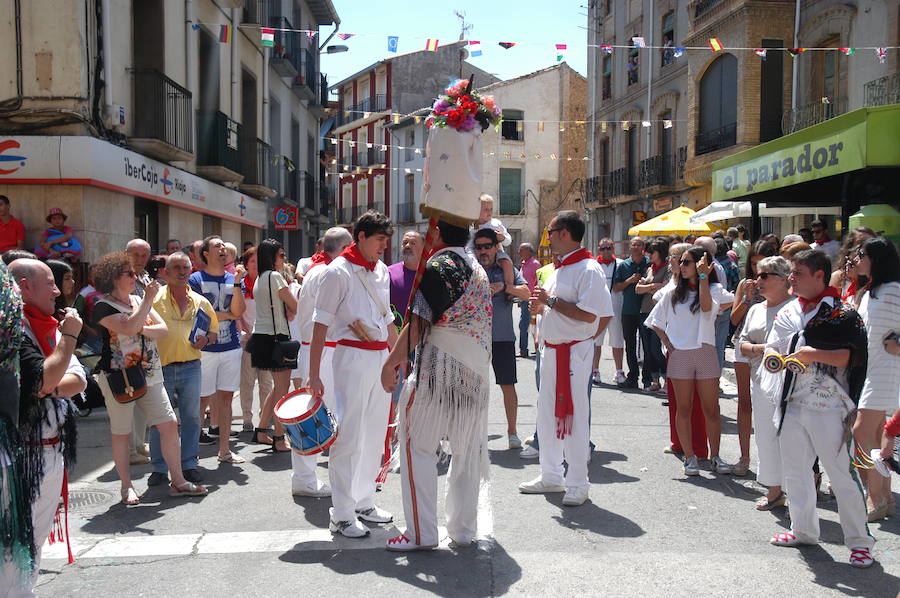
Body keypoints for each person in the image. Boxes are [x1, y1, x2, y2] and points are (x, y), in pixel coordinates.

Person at [380, 219, 492, 551]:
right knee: (466, 451)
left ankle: (421, 533)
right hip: (475, 373)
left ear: (437, 234)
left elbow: (417, 325)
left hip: (437, 372)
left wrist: (390, 362)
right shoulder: (478, 267)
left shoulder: (438, 265)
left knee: (417, 447)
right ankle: (462, 529)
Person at [760, 249, 873, 567]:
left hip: (830, 408)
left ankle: (860, 542)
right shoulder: (788, 312)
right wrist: (776, 358)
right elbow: (774, 349)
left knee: (841, 476)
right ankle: (804, 530)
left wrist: (810, 353)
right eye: (791, 273)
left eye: (797, 273)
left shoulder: (843, 314)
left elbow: (850, 358)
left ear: (819, 276)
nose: (791, 278)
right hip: (793, 404)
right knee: (796, 474)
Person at [307, 211, 398, 538]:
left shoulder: (382, 271)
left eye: (386, 241)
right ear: (360, 237)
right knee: (348, 435)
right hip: (351, 357)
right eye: (379, 240)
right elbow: (320, 325)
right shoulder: (337, 273)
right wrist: (313, 374)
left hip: (380, 358)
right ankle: (342, 513)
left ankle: (363, 501)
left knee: (374, 433)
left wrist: (398, 357)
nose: (384, 248)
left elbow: (387, 318)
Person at [90, 252, 207, 504]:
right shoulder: (103, 306)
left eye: (134, 273)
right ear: (113, 278)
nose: (135, 277)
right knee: (122, 433)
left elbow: (161, 330)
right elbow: (130, 328)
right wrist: (146, 306)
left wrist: (138, 320)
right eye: (129, 273)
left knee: (168, 424)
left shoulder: (136, 300)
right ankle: (126, 486)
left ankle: (178, 480)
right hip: (118, 377)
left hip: (151, 373)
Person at [1, 259, 84, 596]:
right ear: (23, 287)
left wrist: (51, 383)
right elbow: (44, 378)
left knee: (31, 541)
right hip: (23, 456)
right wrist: (68, 338)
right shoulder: (13, 329)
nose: (57, 290)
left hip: (51, 450)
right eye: (50, 283)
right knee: (13, 542)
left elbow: (77, 379)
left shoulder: (49, 324)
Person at [518, 211, 612, 507]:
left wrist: (550, 302)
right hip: (552, 350)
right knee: (546, 413)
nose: (547, 237)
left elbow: (591, 315)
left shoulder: (588, 268)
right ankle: (551, 474)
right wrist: (541, 309)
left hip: (573, 352)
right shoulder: (559, 269)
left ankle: (577, 482)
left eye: (550, 231)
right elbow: (556, 309)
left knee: (574, 415)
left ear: (565, 232)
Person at [647, 246, 733, 477]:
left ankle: (715, 456)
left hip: (705, 350)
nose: (681, 266)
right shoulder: (672, 291)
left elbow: (706, 309)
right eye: (681, 262)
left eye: (686, 262)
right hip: (681, 354)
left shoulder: (714, 288)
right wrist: (667, 341)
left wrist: (704, 278)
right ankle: (690, 457)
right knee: (683, 407)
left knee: (711, 408)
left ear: (701, 265)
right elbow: (655, 320)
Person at [289, 227, 352, 497]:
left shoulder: (318, 270)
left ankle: (305, 477)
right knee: (315, 415)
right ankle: (304, 478)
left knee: (315, 413)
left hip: (318, 349)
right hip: (321, 350)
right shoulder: (327, 272)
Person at [149, 252, 218, 485]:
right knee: (161, 419)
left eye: (185, 268)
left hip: (191, 366)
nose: (181, 272)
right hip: (161, 367)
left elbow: (214, 332)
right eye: (176, 267)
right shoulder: (153, 299)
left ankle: (189, 463)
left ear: (191, 271)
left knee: (191, 417)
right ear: (165, 272)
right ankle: (159, 468)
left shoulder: (201, 301)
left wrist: (206, 340)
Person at [736, 256, 792, 509]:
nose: (758, 281)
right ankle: (774, 490)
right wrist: (762, 348)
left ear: (783, 280)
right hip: (761, 380)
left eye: (764, 276)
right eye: (758, 275)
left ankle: (799, 492)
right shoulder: (756, 309)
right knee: (766, 436)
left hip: (791, 384)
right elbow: (742, 343)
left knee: (792, 439)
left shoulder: (796, 308)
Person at [852, 237, 900, 521]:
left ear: (876, 259)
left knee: (861, 432)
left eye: (861, 254)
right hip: (870, 370)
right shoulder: (871, 292)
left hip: (887, 371)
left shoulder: (894, 290)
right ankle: (884, 497)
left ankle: (875, 496)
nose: (856, 259)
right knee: (876, 435)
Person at [189, 236, 246, 459]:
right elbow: (200, 313)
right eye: (217, 246)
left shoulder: (233, 278)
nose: (222, 249)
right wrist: (227, 315)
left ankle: (225, 450)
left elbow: (238, 312)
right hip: (204, 349)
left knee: (226, 398)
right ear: (206, 253)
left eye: (224, 245)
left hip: (230, 346)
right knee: (201, 399)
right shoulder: (195, 279)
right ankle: (190, 453)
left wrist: (238, 284)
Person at [474, 229, 531, 449]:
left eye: (487, 246)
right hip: (474, 339)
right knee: (473, 388)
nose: (483, 251)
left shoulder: (506, 270)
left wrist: (505, 287)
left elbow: (526, 293)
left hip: (503, 337)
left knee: (508, 386)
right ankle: (474, 434)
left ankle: (512, 433)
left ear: (495, 247)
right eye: (478, 247)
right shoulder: (470, 270)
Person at [728, 239, 778, 475]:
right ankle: (745, 457)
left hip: (769, 345)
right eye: (755, 265)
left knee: (770, 401)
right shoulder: (744, 284)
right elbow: (734, 320)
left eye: (763, 266)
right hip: (744, 344)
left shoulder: (780, 284)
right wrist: (748, 297)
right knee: (745, 401)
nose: (759, 273)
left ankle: (770, 462)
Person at [246, 239, 297, 455]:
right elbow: (294, 305)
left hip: (262, 336)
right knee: (282, 390)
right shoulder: (275, 277)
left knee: (278, 387)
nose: (284, 259)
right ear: (272, 257)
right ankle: (279, 437)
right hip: (277, 337)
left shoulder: (259, 279)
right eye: (281, 255)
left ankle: (261, 429)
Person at [237, 246, 273, 432]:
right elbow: (236, 313)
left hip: (266, 339)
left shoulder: (268, 283)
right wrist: (244, 331)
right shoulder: (240, 286)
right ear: (246, 264)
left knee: (266, 381)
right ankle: (246, 418)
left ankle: (265, 417)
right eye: (252, 261)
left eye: (259, 262)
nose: (256, 265)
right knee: (247, 381)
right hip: (248, 340)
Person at [125, 239, 154, 464]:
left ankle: (139, 442)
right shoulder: (118, 278)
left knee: (142, 394)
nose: (140, 259)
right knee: (127, 398)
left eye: (144, 255)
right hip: (125, 344)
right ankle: (130, 450)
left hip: (146, 342)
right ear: (126, 254)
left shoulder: (146, 278)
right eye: (136, 254)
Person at [612, 236, 649, 389]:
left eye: (638, 244)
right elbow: (616, 288)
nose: (635, 247)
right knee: (630, 345)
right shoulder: (623, 265)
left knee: (647, 346)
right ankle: (632, 376)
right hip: (628, 310)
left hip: (646, 310)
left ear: (643, 247)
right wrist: (629, 281)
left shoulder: (649, 263)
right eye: (633, 244)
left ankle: (648, 379)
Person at [635, 238, 669, 392]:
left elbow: (664, 288)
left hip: (658, 313)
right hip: (644, 311)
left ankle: (667, 379)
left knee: (657, 349)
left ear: (660, 253)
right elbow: (637, 289)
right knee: (648, 350)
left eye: (652, 252)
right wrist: (651, 287)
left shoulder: (667, 269)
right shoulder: (650, 269)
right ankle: (655, 381)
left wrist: (647, 287)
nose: (649, 254)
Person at [592, 239, 625, 385]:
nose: (606, 251)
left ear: (613, 248)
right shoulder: (592, 265)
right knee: (595, 340)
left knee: (618, 340)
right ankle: (595, 370)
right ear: (599, 250)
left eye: (609, 248)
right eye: (603, 248)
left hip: (616, 307)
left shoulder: (621, 264)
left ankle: (619, 371)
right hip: (598, 308)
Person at [469, 194, 514, 288]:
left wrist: (502, 238)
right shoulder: (471, 227)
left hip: (497, 252)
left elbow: (508, 241)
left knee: (506, 261)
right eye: (486, 209)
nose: (489, 212)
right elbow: (469, 245)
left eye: (491, 209)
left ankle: (509, 286)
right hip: (477, 253)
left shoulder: (496, 224)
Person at [830, 226, 876, 309]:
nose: (865, 249)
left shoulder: (880, 279)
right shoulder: (838, 277)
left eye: (870, 244)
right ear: (849, 250)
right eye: (860, 244)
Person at [388, 231, 424, 324]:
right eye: (405, 243)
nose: (407, 246)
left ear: (423, 248)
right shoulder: (388, 273)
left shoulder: (431, 274)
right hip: (394, 334)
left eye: (413, 243)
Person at [518, 242, 541, 358]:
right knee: (527, 324)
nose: (519, 253)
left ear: (528, 251)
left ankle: (525, 349)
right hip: (524, 298)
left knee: (527, 324)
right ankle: (528, 348)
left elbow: (539, 282)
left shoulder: (535, 264)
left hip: (531, 298)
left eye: (521, 250)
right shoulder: (524, 264)